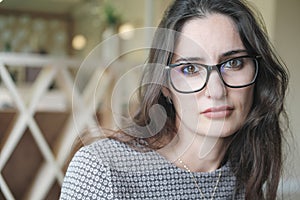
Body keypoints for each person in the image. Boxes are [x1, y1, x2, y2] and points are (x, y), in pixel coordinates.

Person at [60, 0, 289, 199]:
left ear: (258, 72)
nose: (217, 90)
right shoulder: (101, 171)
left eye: (233, 63)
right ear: (165, 85)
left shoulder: (249, 171)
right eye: (190, 68)